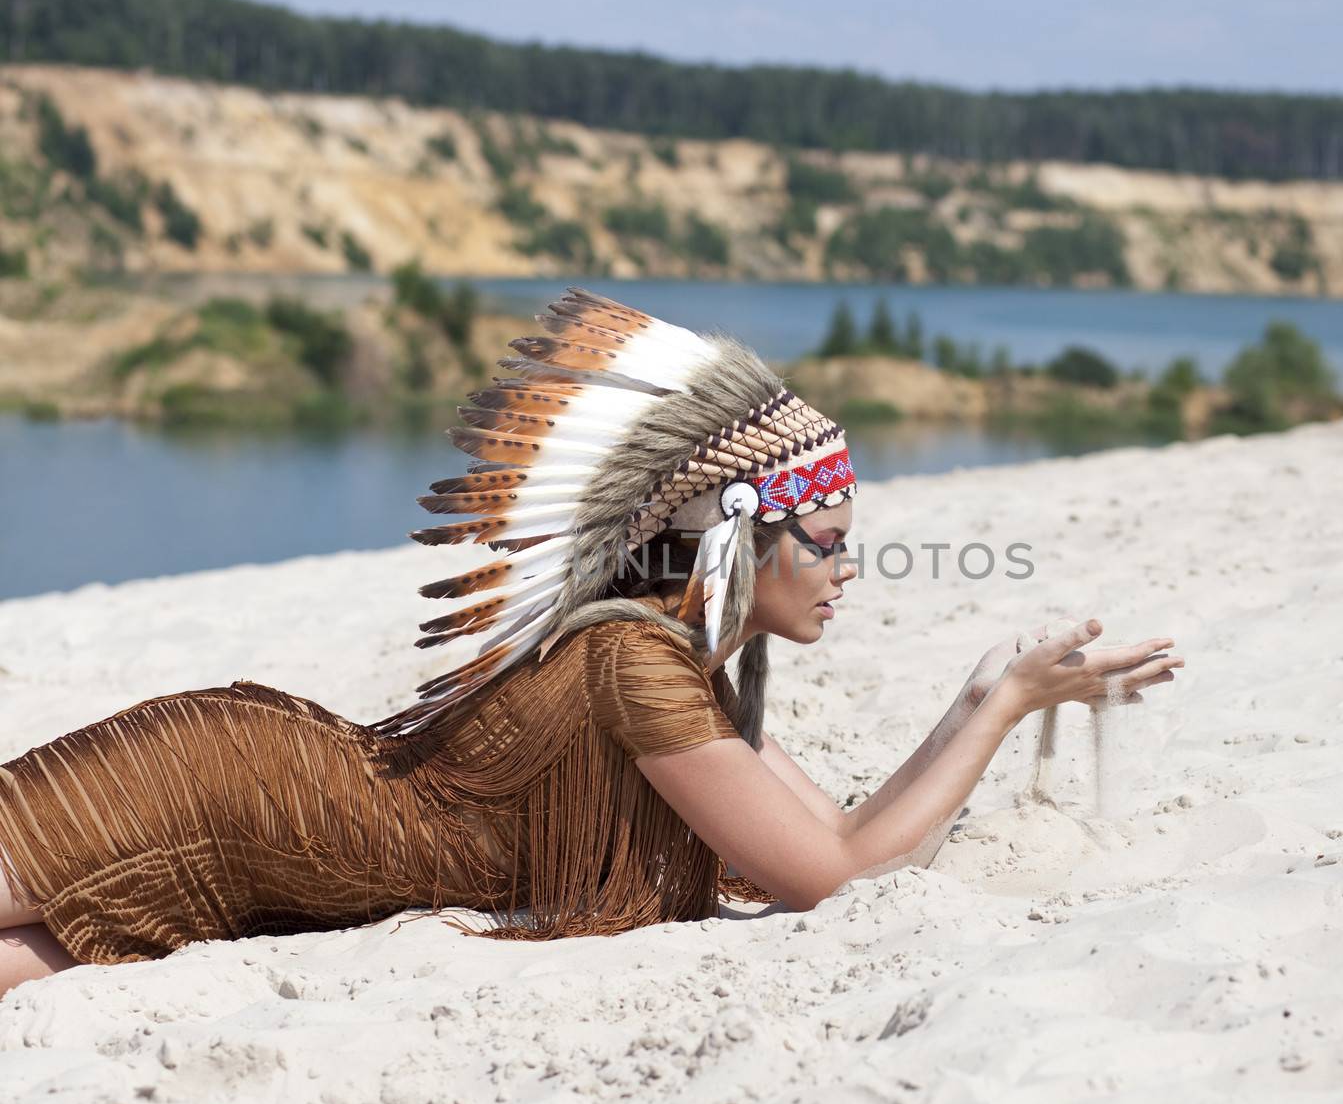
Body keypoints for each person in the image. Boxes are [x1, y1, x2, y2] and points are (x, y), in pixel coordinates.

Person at [0, 288, 1182, 997]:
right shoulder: (635, 661)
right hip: (235, 784)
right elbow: (825, 879)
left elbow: (829, 840)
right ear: (734, 538)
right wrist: (1001, 711)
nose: (846, 568)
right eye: (822, 540)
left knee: (58, 957)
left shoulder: (671, 666)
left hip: (280, 840)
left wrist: (984, 695)